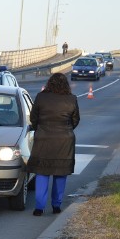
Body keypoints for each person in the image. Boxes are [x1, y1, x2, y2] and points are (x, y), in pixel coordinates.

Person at [27, 72, 80, 216]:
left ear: (50, 83)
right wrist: (65, 130)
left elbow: (34, 118)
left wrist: (41, 129)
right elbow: (75, 120)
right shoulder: (72, 99)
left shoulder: (41, 97)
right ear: (66, 85)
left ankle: (39, 207)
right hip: (64, 141)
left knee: (42, 173)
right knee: (60, 174)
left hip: (43, 139)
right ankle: (56, 205)